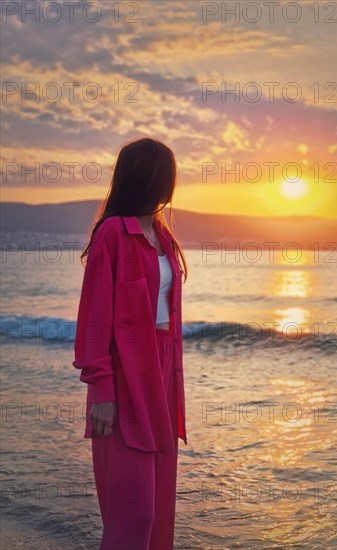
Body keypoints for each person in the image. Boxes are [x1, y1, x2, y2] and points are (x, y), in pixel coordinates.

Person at [72, 137, 188, 550]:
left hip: (162, 379)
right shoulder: (112, 235)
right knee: (134, 515)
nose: (168, 185)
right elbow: (93, 320)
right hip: (122, 382)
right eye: (163, 175)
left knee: (159, 517)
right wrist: (101, 389)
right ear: (144, 178)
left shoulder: (163, 236)